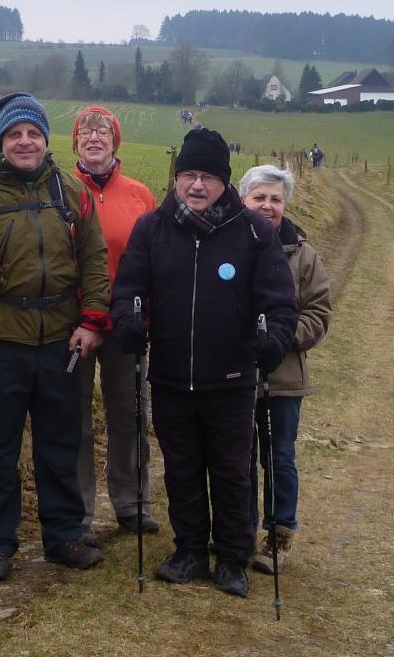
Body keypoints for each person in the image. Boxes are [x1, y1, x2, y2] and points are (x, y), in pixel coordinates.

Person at [111, 128, 298, 598]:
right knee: (182, 467)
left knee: (232, 471)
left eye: (208, 177)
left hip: (233, 378)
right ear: (177, 178)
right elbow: (129, 289)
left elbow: (279, 299)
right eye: (189, 175)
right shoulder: (152, 228)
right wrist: (129, 322)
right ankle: (190, 549)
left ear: (225, 183)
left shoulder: (254, 232)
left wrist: (275, 338)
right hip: (171, 376)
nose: (197, 185)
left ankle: (233, 557)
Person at [0, 92, 111, 581]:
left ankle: (63, 536)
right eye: (15, 135)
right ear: (2, 141)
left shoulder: (70, 192)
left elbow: (95, 260)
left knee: (60, 443)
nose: (24, 142)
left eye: (33, 134)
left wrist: (91, 320)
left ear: (45, 140)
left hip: (62, 340)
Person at [70, 106, 159, 542]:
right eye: (85, 132)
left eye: (102, 131)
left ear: (115, 140)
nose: (93, 138)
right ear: (75, 143)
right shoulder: (62, 190)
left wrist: (153, 316)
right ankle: (78, 510)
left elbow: (159, 258)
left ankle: (132, 501)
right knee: (76, 419)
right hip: (74, 324)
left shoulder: (140, 195)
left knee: (130, 413)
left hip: (128, 323)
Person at [239, 165, 331, 574]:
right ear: (243, 200)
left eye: (275, 199)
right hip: (234, 374)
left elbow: (318, 311)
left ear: (285, 204)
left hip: (284, 376)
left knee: (278, 457)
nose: (267, 206)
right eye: (259, 197)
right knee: (237, 456)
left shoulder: (302, 254)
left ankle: (279, 534)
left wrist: (280, 336)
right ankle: (240, 531)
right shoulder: (227, 244)